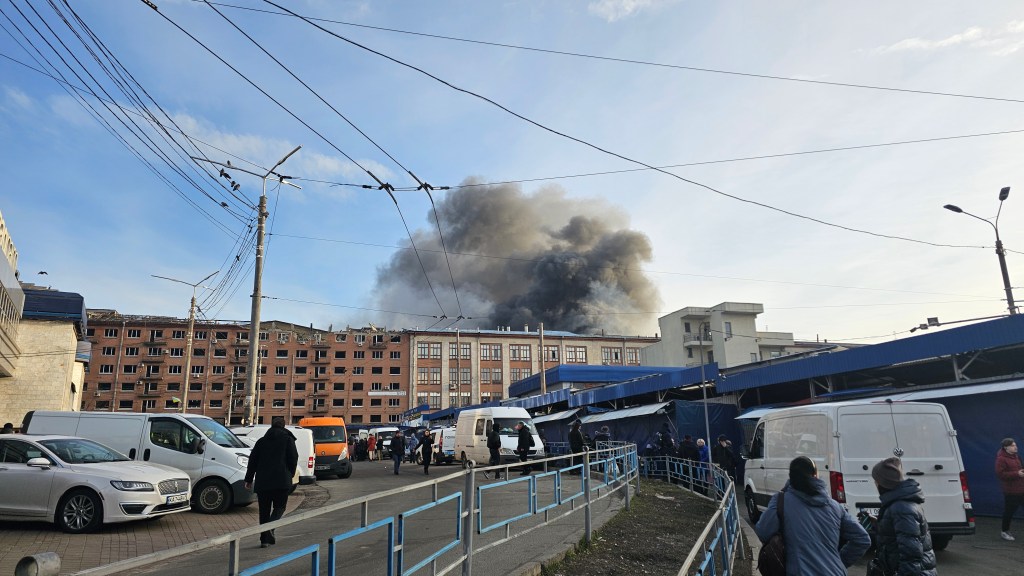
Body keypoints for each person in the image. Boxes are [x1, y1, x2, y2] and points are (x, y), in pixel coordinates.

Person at [755, 456, 870, 575]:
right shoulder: (834, 506)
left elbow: (763, 532)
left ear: (791, 476)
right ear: (815, 475)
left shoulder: (781, 501)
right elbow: (862, 539)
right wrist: (839, 562)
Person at [871, 457, 937, 576]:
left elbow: (910, 554)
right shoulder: (899, 504)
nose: (875, 483)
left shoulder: (902, 508)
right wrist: (879, 524)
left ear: (883, 483)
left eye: (876, 480)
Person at [244, 416, 298, 548]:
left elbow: (253, 461)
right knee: (280, 507)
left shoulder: (261, 442)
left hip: (263, 482)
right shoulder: (287, 439)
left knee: (264, 511)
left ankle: (264, 540)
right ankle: (270, 528)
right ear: (283, 426)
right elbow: (293, 458)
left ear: (271, 426)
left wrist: (249, 479)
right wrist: (290, 473)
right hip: (281, 481)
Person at [995, 437, 1024, 541]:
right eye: (1012, 445)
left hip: (1022, 489)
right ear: (1006, 447)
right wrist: (1017, 474)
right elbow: (1001, 474)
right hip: (1011, 491)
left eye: (1015, 445)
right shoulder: (1001, 459)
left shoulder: (1016, 457)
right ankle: (1004, 531)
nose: (1015, 447)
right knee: (1009, 512)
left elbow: (1020, 469)